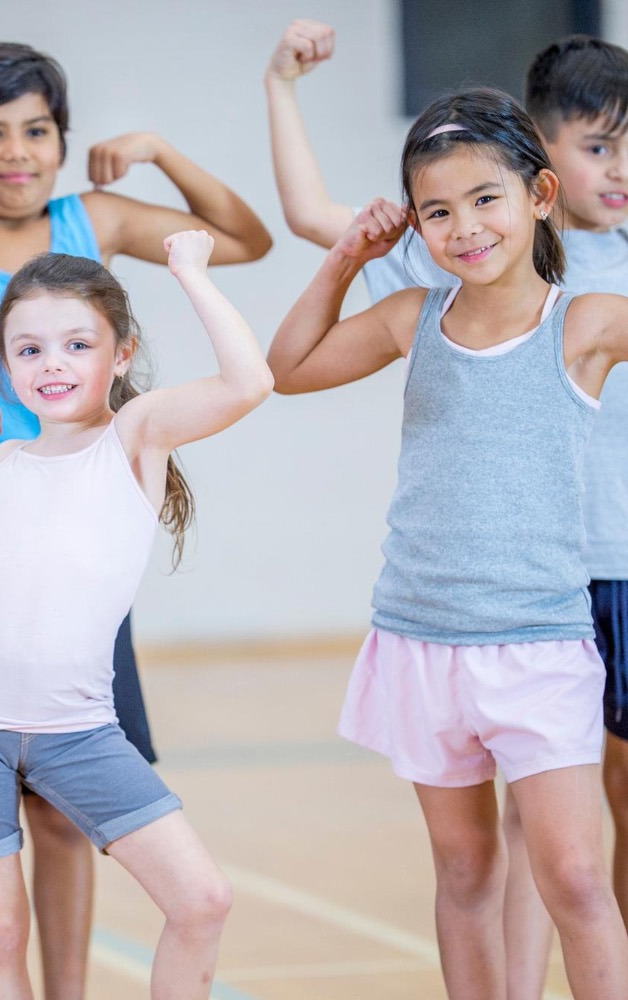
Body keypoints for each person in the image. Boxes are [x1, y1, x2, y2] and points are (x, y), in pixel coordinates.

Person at [0, 42, 270, 999]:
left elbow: (246, 275)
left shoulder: (127, 409)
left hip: (72, 596)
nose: (16, 151)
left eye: (37, 130)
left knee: (85, 835)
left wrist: (168, 183)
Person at [267, 23, 628, 997]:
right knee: (466, 870)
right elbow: (287, 367)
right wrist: (346, 256)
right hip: (422, 640)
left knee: (576, 874)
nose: (464, 227)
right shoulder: (408, 318)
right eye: (437, 212)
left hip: (541, 644)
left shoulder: (587, 323)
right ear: (415, 227)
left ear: (536, 196)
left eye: (484, 200)